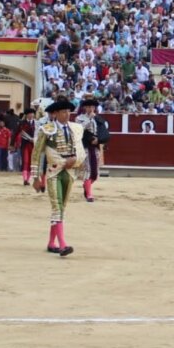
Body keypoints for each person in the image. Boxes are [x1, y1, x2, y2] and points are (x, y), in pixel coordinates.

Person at [33, 99, 85, 256]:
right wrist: (35, 177)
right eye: (64, 112)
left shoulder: (75, 129)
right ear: (55, 114)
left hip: (69, 173)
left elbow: (79, 149)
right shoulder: (46, 129)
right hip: (53, 172)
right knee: (57, 208)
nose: (67, 114)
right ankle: (63, 245)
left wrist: (76, 161)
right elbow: (37, 154)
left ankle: (51, 243)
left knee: (61, 208)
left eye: (69, 111)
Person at [77, 98, 109, 202]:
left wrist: (99, 140)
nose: (90, 109)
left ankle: (86, 186)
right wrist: (89, 119)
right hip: (85, 146)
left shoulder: (99, 119)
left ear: (94, 108)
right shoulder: (79, 118)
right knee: (88, 170)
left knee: (95, 173)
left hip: (96, 147)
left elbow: (104, 132)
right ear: (84, 108)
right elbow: (79, 129)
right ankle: (89, 194)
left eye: (92, 107)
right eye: (88, 107)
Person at [18, 107, 37, 186]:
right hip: (25, 144)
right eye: (29, 114)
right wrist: (12, 144)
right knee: (25, 161)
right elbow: (16, 132)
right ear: (26, 115)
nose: (31, 115)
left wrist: (35, 139)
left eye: (32, 113)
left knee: (31, 163)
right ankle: (25, 179)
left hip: (34, 145)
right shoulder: (22, 123)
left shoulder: (37, 123)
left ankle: (28, 179)